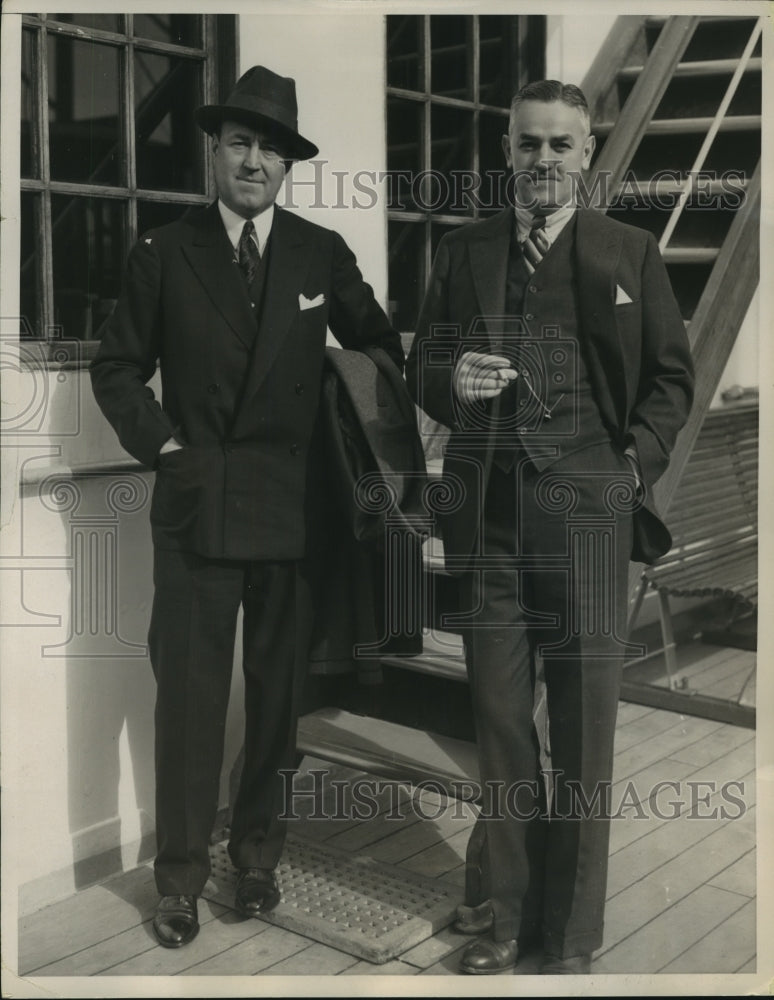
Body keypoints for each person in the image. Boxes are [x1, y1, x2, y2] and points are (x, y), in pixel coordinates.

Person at [91, 65, 404, 949]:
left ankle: (258, 859)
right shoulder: (163, 251)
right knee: (188, 705)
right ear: (214, 151)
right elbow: (115, 369)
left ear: (287, 163)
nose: (254, 160)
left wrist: (347, 433)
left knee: (276, 702)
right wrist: (167, 448)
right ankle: (181, 881)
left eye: (270, 147)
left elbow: (377, 350)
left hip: (292, 513)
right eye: (239, 142)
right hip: (196, 509)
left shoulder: (318, 253)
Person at [405, 80, 694, 975]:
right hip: (487, 522)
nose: (543, 162)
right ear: (507, 152)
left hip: (589, 525)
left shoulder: (629, 252)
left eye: (561, 146)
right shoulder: (463, 251)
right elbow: (422, 368)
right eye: (528, 145)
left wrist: (627, 468)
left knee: (583, 733)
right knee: (498, 725)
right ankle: (504, 923)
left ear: (588, 152)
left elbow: (670, 381)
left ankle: (568, 938)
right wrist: (454, 385)